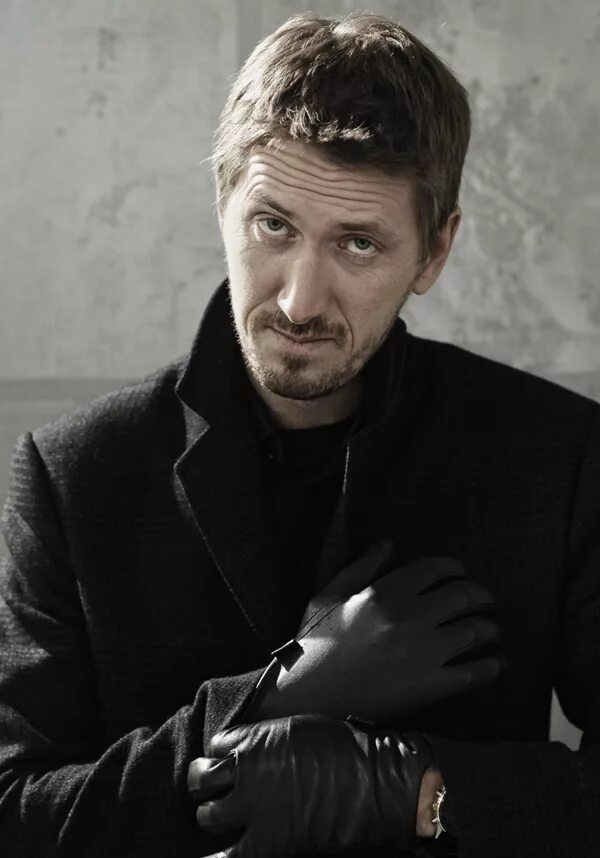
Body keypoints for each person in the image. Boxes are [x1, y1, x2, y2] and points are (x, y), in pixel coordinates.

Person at [0, 11, 598, 858]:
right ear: (223, 201)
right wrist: (274, 695)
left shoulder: (558, 458)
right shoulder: (75, 474)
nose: (299, 301)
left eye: (358, 243)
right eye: (273, 226)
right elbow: (14, 814)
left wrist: (415, 792)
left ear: (434, 253)